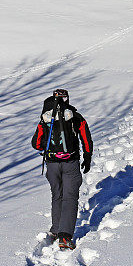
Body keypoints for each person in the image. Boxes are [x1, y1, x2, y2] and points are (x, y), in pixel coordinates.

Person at [31, 88, 93, 250]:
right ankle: (65, 236)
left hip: (52, 164)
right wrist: (87, 157)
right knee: (70, 197)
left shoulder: (45, 118)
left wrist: (47, 145)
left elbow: (36, 144)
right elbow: (86, 138)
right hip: (71, 162)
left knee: (57, 195)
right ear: (67, 99)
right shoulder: (75, 117)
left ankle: (56, 229)